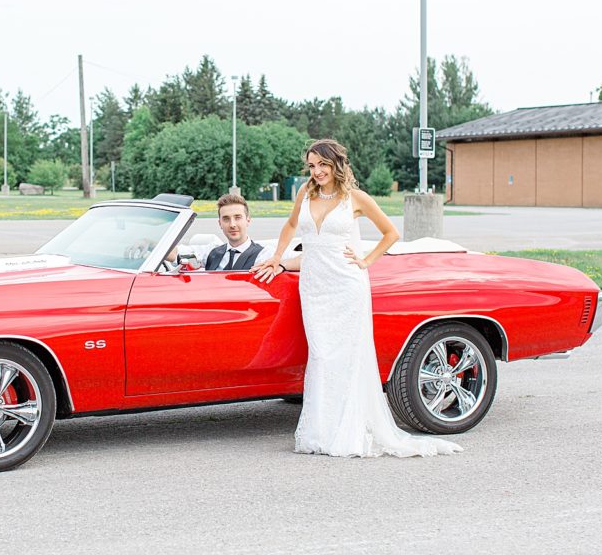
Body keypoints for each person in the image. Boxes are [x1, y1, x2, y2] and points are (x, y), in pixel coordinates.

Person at [251, 139, 463, 458]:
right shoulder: (305, 194)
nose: (317, 171)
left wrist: (366, 260)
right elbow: (292, 225)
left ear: (336, 165)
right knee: (322, 356)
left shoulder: (356, 199)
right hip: (315, 286)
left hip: (347, 285)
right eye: (311, 165)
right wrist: (277, 257)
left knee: (346, 358)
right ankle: (319, 432)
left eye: (322, 165)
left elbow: (391, 233)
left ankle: (345, 432)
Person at [170, 193, 270, 270]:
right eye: (226, 219)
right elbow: (175, 254)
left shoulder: (263, 255)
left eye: (237, 218)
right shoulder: (211, 253)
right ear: (220, 223)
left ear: (248, 220)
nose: (232, 224)